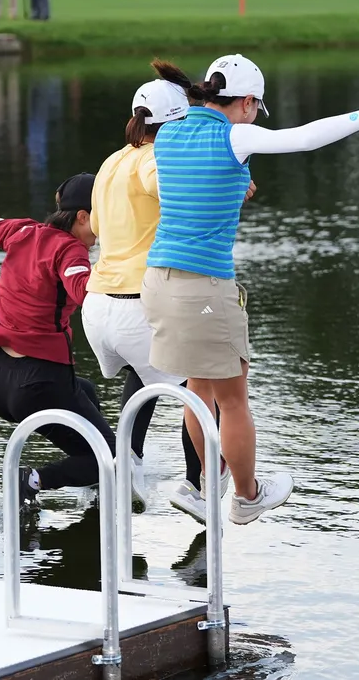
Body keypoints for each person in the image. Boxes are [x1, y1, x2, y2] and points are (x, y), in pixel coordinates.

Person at [142, 55, 359, 524]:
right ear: (246, 102)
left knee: (198, 389)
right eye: (254, 109)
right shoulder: (233, 135)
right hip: (204, 288)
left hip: (158, 281)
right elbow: (304, 138)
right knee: (232, 399)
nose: (253, 117)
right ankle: (247, 496)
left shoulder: (170, 132)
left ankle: (208, 479)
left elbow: (195, 181)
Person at [84, 61, 235, 517]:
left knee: (145, 370)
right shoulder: (157, 160)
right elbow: (176, 190)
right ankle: (198, 486)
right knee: (203, 383)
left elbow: (95, 227)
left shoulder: (111, 161)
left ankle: (126, 463)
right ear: (176, 122)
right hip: (139, 305)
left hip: (98, 308)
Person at [0, 173, 118, 513]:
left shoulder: (21, 231)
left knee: (87, 391)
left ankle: (90, 484)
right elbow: (83, 292)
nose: (106, 229)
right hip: (40, 382)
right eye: (104, 217)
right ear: (82, 216)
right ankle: (34, 480)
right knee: (109, 457)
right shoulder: (72, 252)